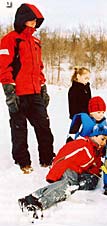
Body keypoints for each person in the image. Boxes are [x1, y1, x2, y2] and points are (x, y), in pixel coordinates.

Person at [0, 3, 54, 174]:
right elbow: (3, 66)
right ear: (22, 20)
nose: (33, 24)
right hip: (18, 93)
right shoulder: (9, 40)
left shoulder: (36, 41)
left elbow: (38, 67)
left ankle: (47, 159)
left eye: (36, 21)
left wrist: (42, 86)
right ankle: (22, 162)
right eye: (31, 20)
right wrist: (9, 91)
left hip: (35, 93)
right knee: (19, 129)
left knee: (44, 127)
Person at [18, 123, 107, 219]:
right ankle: (37, 202)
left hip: (75, 170)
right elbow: (66, 156)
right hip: (67, 168)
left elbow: (93, 164)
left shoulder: (95, 150)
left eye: (106, 140)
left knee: (81, 183)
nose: (104, 142)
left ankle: (35, 197)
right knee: (67, 185)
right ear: (93, 136)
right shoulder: (84, 144)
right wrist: (56, 172)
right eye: (102, 139)